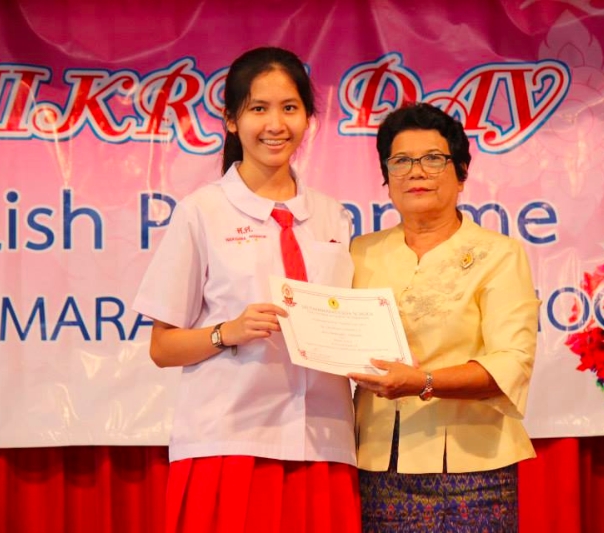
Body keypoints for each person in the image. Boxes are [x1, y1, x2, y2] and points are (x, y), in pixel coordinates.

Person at [133, 47, 360, 533]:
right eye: (258, 108)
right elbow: (162, 347)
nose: (275, 124)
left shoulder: (333, 215)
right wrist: (226, 332)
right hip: (230, 442)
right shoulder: (201, 212)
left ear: (308, 119)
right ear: (232, 120)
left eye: (289, 108)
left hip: (324, 440)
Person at [347, 102, 540, 532]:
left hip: (474, 472)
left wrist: (423, 382)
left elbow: (511, 364)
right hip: (375, 466)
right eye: (400, 161)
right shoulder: (359, 252)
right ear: (386, 178)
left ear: (461, 173)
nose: (416, 172)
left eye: (433, 159)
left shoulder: (499, 254)